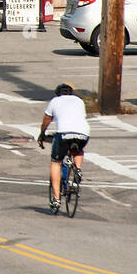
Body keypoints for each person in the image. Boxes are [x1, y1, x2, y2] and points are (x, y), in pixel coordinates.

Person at [38, 83, 90, 212]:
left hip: (64, 133)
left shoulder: (55, 101)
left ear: (57, 93)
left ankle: (56, 199)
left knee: (56, 162)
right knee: (78, 149)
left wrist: (42, 134)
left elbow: (47, 119)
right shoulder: (79, 101)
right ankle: (77, 169)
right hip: (83, 133)